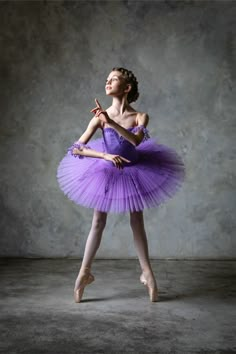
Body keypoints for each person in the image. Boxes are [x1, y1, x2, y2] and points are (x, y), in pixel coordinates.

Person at [56, 67, 186, 303]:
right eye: (106, 79)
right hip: (106, 169)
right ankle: (84, 273)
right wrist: (104, 155)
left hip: (135, 170)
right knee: (98, 221)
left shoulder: (140, 116)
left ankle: (147, 273)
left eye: (113, 79)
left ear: (126, 88)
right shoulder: (98, 117)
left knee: (137, 220)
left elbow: (136, 140)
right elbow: (76, 148)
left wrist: (111, 123)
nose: (107, 82)